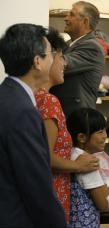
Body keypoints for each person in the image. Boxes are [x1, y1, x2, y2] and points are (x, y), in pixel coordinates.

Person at [0, 23, 67, 227]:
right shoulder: (22, 111)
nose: (55, 59)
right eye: (50, 53)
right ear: (38, 62)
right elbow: (36, 185)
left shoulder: (8, 96)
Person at [35, 27, 100, 223]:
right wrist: (77, 165)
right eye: (62, 56)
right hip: (53, 190)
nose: (65, 62)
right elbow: (45, 157)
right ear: (47, 59)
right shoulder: (48, 101)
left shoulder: (33, 96)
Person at [67, 107, 109, 227]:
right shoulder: (88, 162)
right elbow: (102, 204)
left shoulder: (71, 154)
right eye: (100, 132)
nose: (105, 136)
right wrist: (104, 192)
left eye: (104, 130)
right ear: (82, 137)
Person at [50, 1, 105, 117]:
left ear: (85, 21)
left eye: (71, 14)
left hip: (77, 118)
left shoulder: (92, 47)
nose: (66, 18)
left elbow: (59, 65)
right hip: (66, 114)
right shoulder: (69, 44)